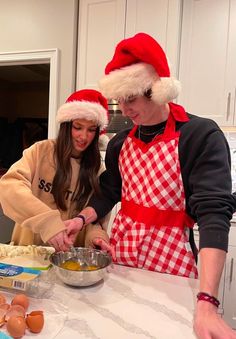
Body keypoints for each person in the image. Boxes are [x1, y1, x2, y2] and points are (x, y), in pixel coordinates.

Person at [61, 33, 236, 338]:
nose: (124, 110)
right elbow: (109, 192)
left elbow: (213, 214)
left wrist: (207, 302)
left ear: (156, 89)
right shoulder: (119, 143)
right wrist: (81, 219)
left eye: (131, 99)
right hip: (123, 259)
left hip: (173, 266)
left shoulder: (199, 136)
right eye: (120, 101)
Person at [0, 89, 111, 253]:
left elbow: (95, 219)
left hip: (68, 258)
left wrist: (97, 238)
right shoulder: (41, 151)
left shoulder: (97, 170)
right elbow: (9, 187)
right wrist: (47, 222)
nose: (83, 136)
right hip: (29, 253)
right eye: (78, 127)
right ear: (67, 126)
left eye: (91, 130)